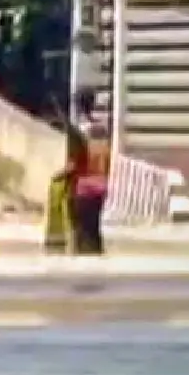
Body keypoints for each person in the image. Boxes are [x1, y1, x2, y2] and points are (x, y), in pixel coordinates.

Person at [62, 89, 111, 256]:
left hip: (83, 188)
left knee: (80, 232)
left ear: (78, 106)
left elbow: (74, 163)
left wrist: (60, 177)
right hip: (101, 186)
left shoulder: (78, 131)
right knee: (95, 231)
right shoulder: (102, 129)